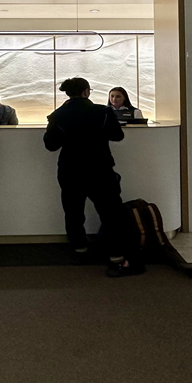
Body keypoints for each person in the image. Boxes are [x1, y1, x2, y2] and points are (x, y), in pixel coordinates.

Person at [44, 77, 143, 277]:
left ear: (68, 93)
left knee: (73, 213)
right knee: (110, 214)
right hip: (100, 169)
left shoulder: (57, 115)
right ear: (86, 92)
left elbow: (50, 144)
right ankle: (116, 258)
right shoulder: (102, 112)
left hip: (70, 170)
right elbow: (117, 136)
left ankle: (80, 251)